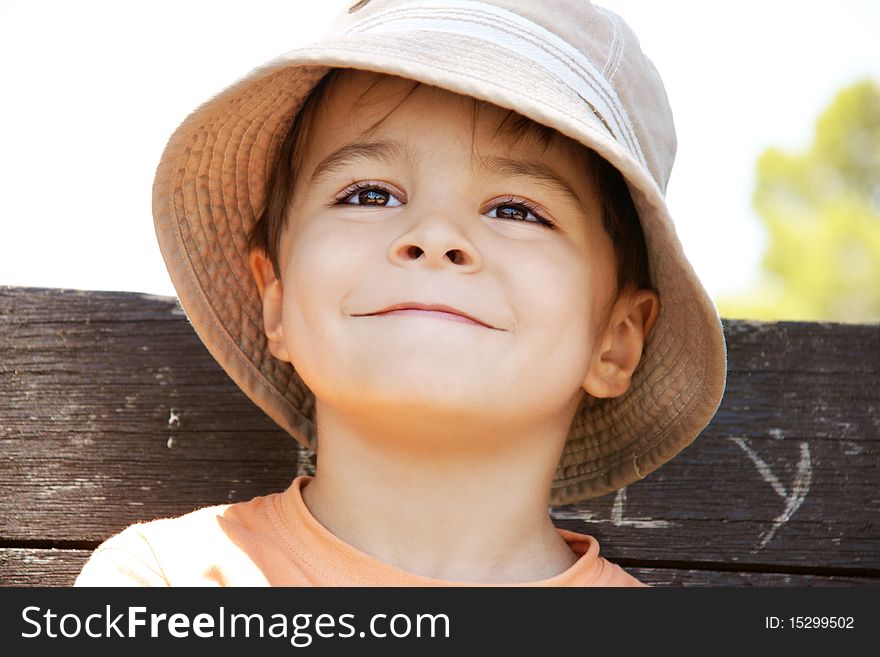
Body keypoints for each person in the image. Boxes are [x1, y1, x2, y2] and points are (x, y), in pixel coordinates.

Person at [75, 0, 726, 587]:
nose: (435, 236)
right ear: (275, 301)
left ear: (615, 340)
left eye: (518, 210)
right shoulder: (167, 582)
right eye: (368, 194)